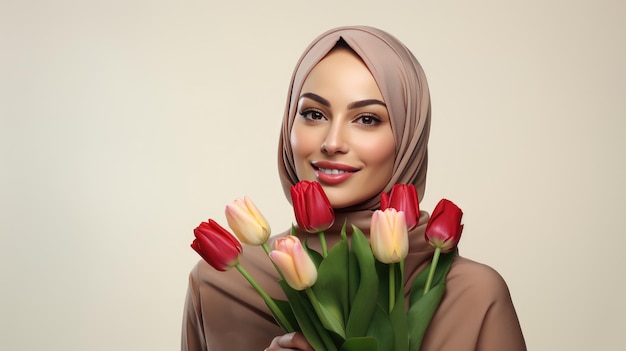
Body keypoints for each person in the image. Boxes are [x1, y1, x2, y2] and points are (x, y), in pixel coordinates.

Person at [181, 26, 526, 351]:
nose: (332, 143)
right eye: (314, 114)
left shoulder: (473, 295)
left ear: (408, 136)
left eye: (367, 119)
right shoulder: (219, 286)